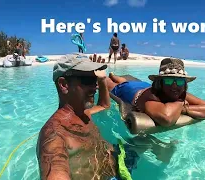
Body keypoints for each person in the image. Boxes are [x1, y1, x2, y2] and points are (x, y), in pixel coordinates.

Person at [36, 57, 178, 179]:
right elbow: (56, 170)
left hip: (117, 160)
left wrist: (102, 79)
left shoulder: (83, 113)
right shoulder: (54, 136)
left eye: (95, 80)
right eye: (88, 80)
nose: (95, 86)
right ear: (64, 84)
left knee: (146, 140)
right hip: (110, 176)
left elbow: (104, 106)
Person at [106, 58, 205, 127]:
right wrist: (181, 102)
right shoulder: (152, 97)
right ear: (160, 82)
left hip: (143, 85)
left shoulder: (177, 91)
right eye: (169, 80)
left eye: (179, 81)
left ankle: (117, 77)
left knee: (127, 80)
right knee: (115, 83)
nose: (174, 85)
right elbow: (167, 119)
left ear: (184, 83)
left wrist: (185, 109)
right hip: (128, 90)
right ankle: (113, 77)